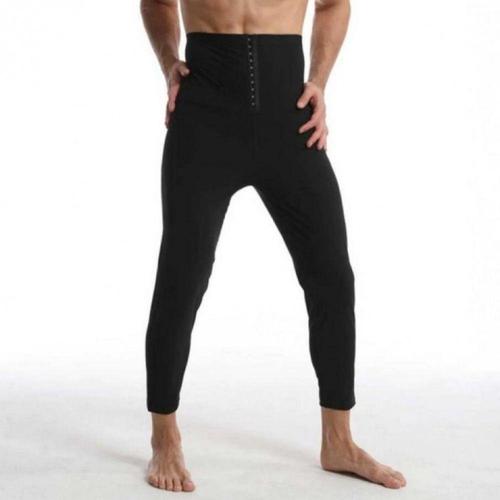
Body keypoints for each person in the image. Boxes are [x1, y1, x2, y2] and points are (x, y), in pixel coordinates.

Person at [140, 0, 406, 492]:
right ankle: (164, 436)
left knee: (331, 275)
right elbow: (156, 2)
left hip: (289, 117)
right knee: (182, 274)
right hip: (205, 116)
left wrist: (318, 81)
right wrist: (168, 61)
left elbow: (333, 4)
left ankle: (338, 441)